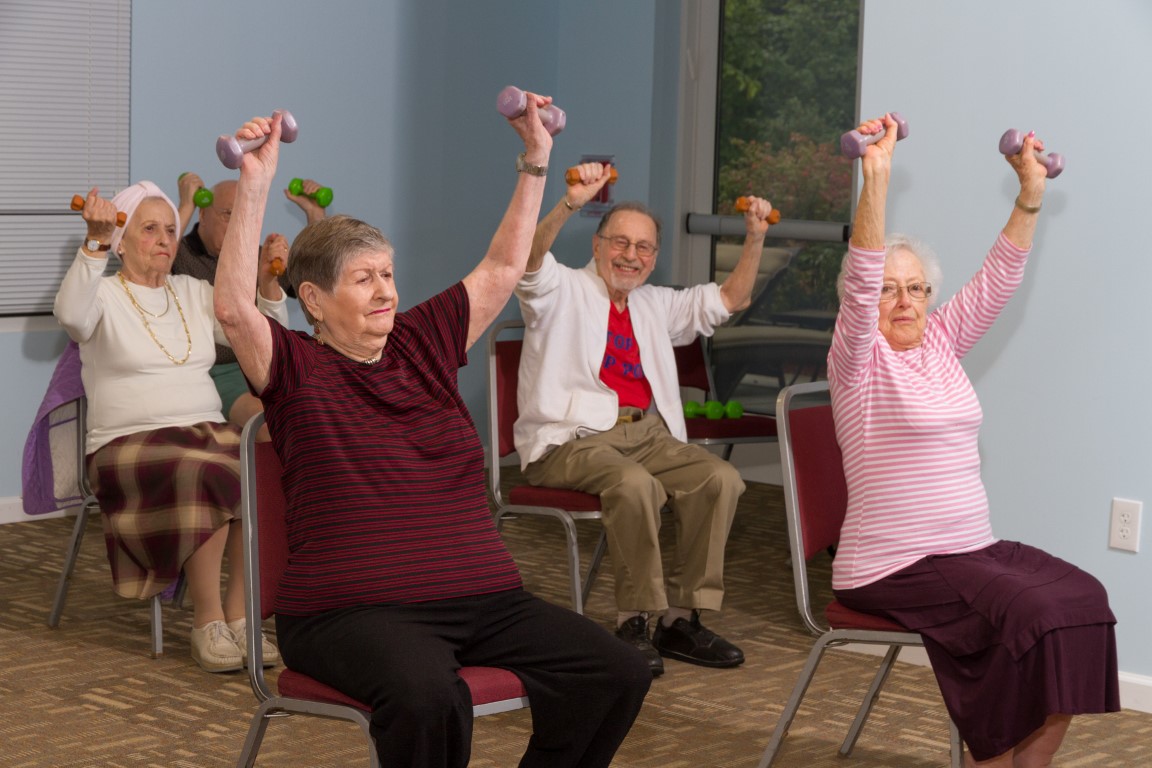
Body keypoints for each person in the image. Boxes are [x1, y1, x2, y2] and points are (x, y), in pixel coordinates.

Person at [213, 104, 651, 767]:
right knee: (426, 696)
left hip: (483, 598)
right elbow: (233, 309)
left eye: (387, 273)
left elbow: (503, 269)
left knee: (616, 671)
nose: (385, 290)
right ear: (314, 298)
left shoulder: (423, 341)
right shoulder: (297, 368)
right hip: (348, 614)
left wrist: (536, 158)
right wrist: (255, 181)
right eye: (364, 279)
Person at [828, 114, 1119, 766]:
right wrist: (874, 177)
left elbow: (999, 278)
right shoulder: (858, 363)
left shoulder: (941, 342)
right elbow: (861, 275)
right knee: (1028, 612)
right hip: (891, 565)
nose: (902, 301)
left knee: (1081, 599)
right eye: (887, 291)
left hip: (971, 550)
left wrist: (1030, 194)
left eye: (916, 289)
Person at [513, 163, 777, 677]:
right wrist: (568, 202)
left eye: (644, 248)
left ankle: (681, 620)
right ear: (596, 245)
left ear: (655, 257)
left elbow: (729, 300)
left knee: (720, 478)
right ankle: (634, 620)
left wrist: (754, 239)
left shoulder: (654, 303)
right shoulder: (559, 290)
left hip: (647, 432)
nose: (630, 256)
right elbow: (526, 259)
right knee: (636, 486)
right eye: (620, 243)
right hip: (572, 438)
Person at [54, 182, 290, 673]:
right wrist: (94, 242)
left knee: (262, 463)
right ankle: (207, 623)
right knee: (207, 468)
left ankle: (241, 615)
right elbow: (70, 316)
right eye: (149, 229)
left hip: (203, 431)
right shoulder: (103, 294)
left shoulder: (193, 292)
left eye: (169, 229)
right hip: (126, 444)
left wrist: (269, 287)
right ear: (121, 241)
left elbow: (262, 339)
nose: (164, 238)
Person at [172, 173, 327, 436]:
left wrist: (315, 215)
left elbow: (311, 285)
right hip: (215, 370)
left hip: (258, 363)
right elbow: (158, 255)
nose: (236, 225)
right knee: (270, 422)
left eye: (243, 215)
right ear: (202, 215)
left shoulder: (255, 255)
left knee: (314, 408)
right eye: (227, 214)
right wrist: (184, 205)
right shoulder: (177, 253)